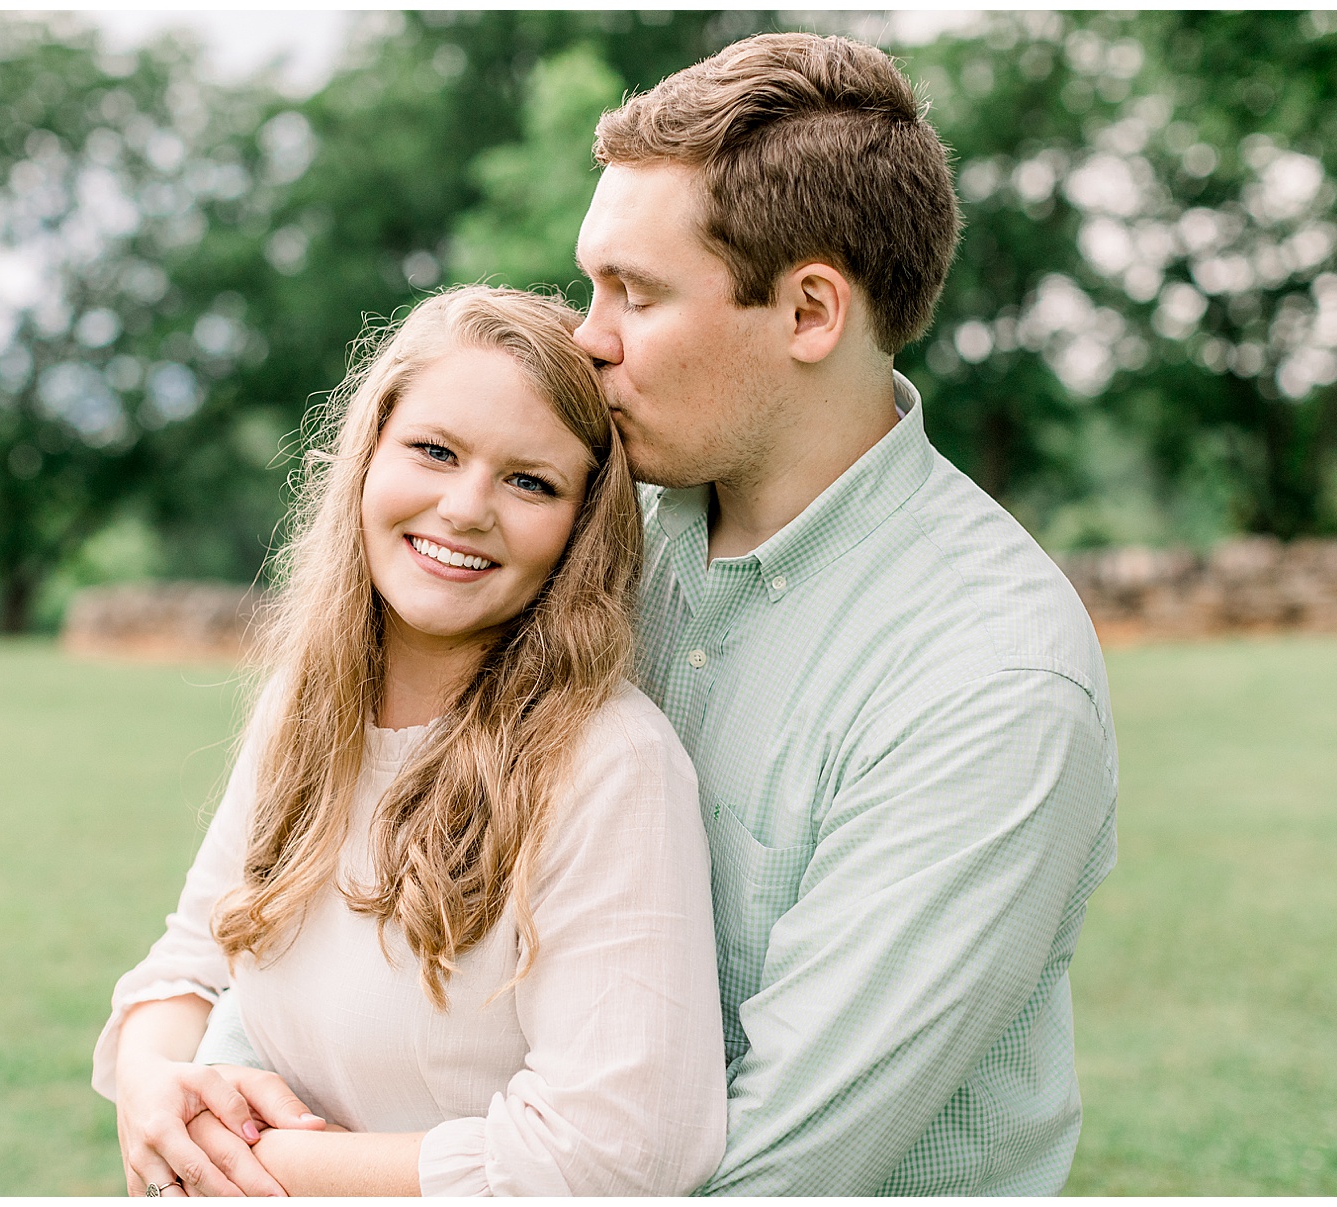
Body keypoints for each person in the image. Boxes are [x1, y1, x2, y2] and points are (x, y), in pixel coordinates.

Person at [565, 32, 1120, 1195]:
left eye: (635, 293)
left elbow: (781, 1169)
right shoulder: (584, 540)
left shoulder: (991, 678)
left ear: (811, 310)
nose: (588, 337)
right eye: (592, 285)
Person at [92, 286, 726, 1196]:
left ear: (581, 529)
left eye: (530, 481)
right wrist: (153, 1083)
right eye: (435, 450)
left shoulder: (608, 764)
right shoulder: (306, 708)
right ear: (368, 455)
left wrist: (259, 1164)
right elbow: (192, 956)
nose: (465, 508)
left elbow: (620, 1149)